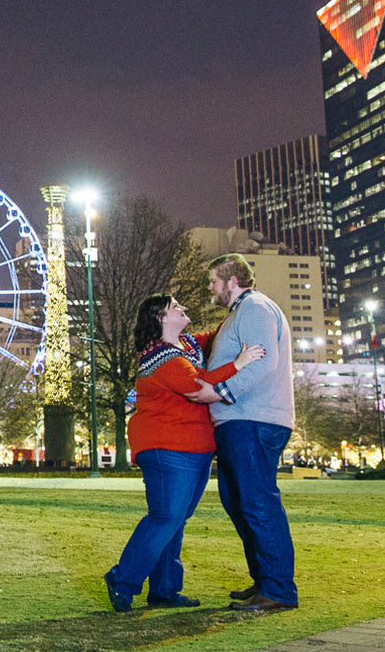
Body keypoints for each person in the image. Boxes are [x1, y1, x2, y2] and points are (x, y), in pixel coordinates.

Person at [103, 293, 264, 612]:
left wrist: (241, 303)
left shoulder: (188, 345)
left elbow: (219, 335)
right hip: (167, 448)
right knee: (166, 516)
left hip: (193, 448)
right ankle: (123, 579)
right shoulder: (162, 359)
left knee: (175, 519)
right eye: (176, 307)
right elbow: (198, 386)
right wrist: (238, 364)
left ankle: (163, 589)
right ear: (161, 319)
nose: (184, 308)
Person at [204, 252, 299, 613]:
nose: (210, 287)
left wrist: (222, 393)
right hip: (241, 420)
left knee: (257, 502)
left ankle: (277, 588)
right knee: (239, 502)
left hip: (253, 419)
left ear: (231, 280)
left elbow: (264, 363)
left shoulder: (255, 308)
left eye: (214, 280)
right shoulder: (242, 312)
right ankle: (265, 579)